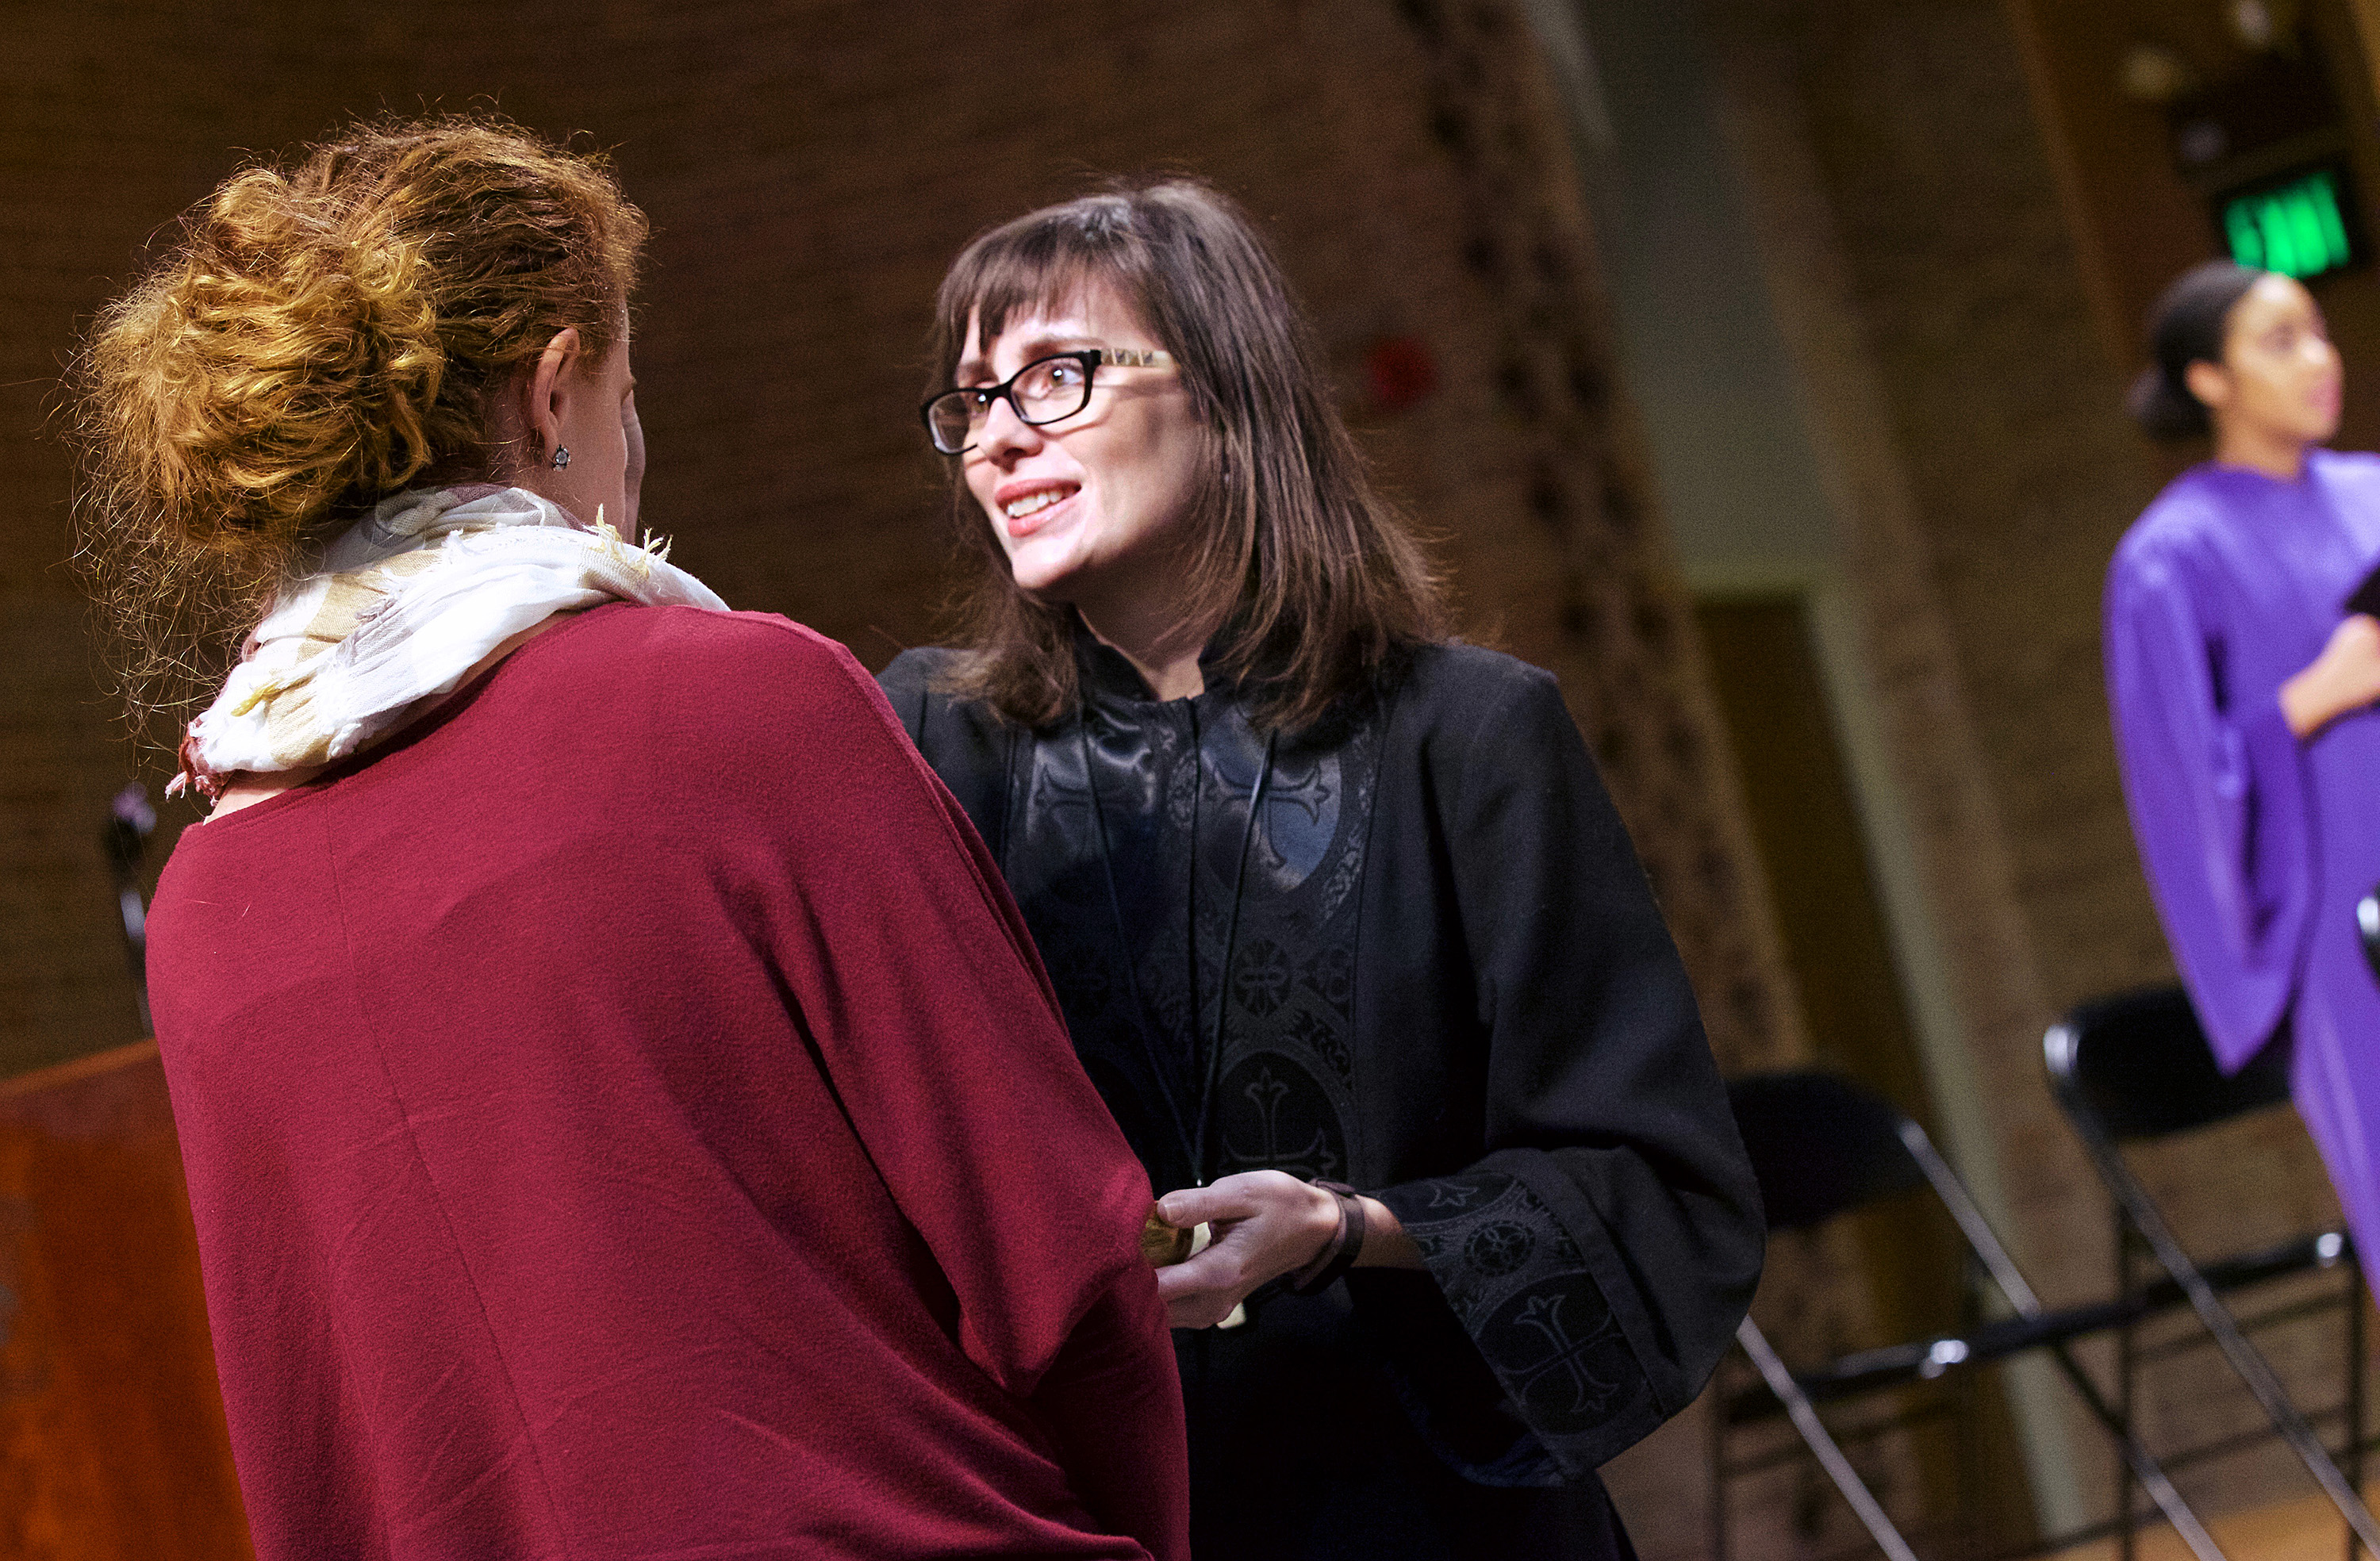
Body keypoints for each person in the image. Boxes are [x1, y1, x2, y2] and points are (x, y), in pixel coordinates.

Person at [72, 117, 1188, 1561]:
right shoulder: (742, 703)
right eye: (624, 394)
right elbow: (1063, 1271)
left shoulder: (208, 895)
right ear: (551, 397)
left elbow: (305, 1447)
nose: (633, 449)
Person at [877, 179, 1764, 1560]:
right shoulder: (934, 745)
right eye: (972, 400)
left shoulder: (1469, 735)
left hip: (1430, 1507)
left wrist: (1348, 1227)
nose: (995, 438)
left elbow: (1652, 1183)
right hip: (1111, 1511)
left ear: (1225, 390)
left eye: (1055, 377)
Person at [2108, 259, 2380, 1294]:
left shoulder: (2373, 494)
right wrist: (2311, 700)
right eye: (2281, 341)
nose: (2319, 360)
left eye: (2320, 332)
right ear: (2208, 379)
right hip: (2341, 925)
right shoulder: (2169, 560)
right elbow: (2182, 790)